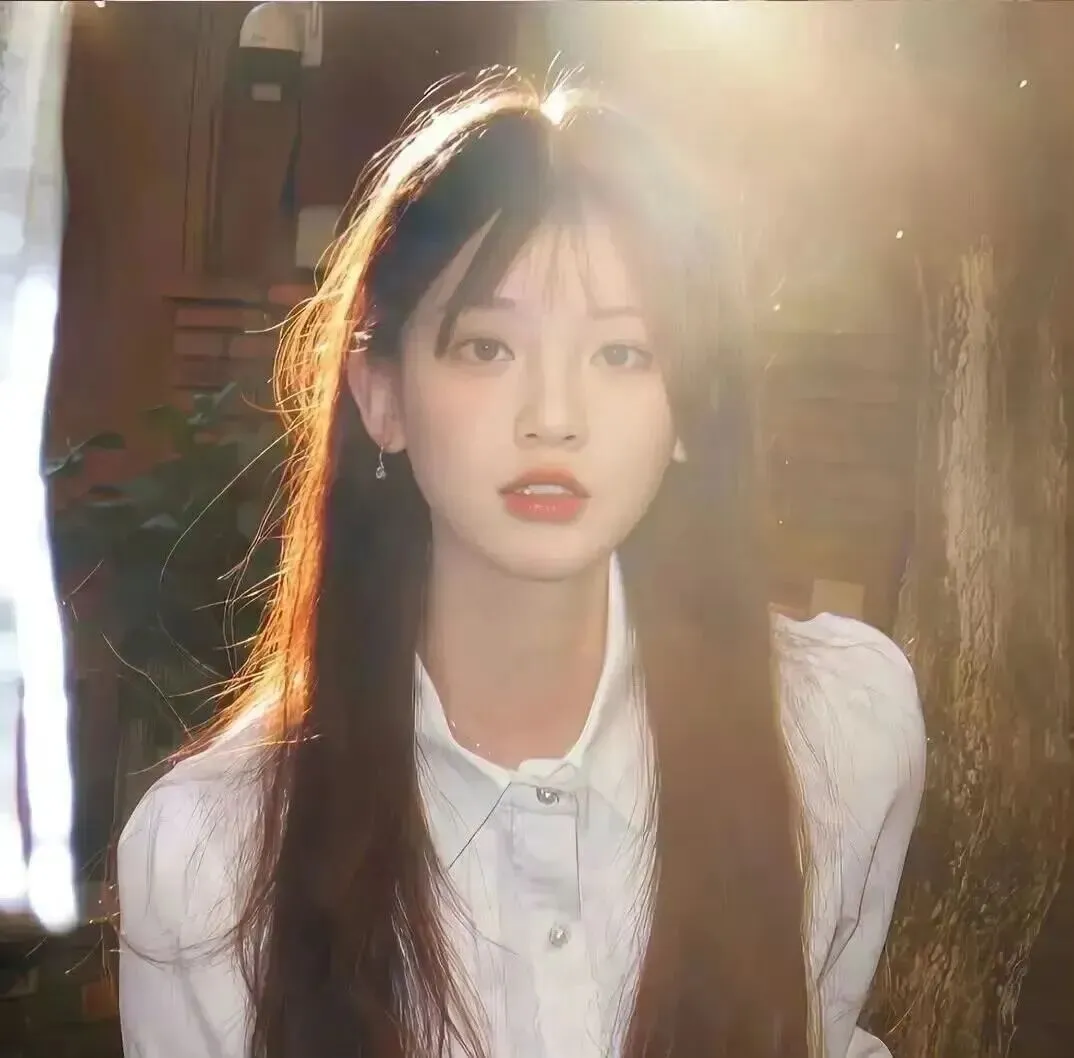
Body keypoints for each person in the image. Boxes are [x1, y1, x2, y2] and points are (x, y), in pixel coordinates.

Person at [117, 73, 925, 1058]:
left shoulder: (839, 728)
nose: (554, 415)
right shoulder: (210, 856)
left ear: (689, 407)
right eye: (487, 347)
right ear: (383, 394)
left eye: (621, 354)